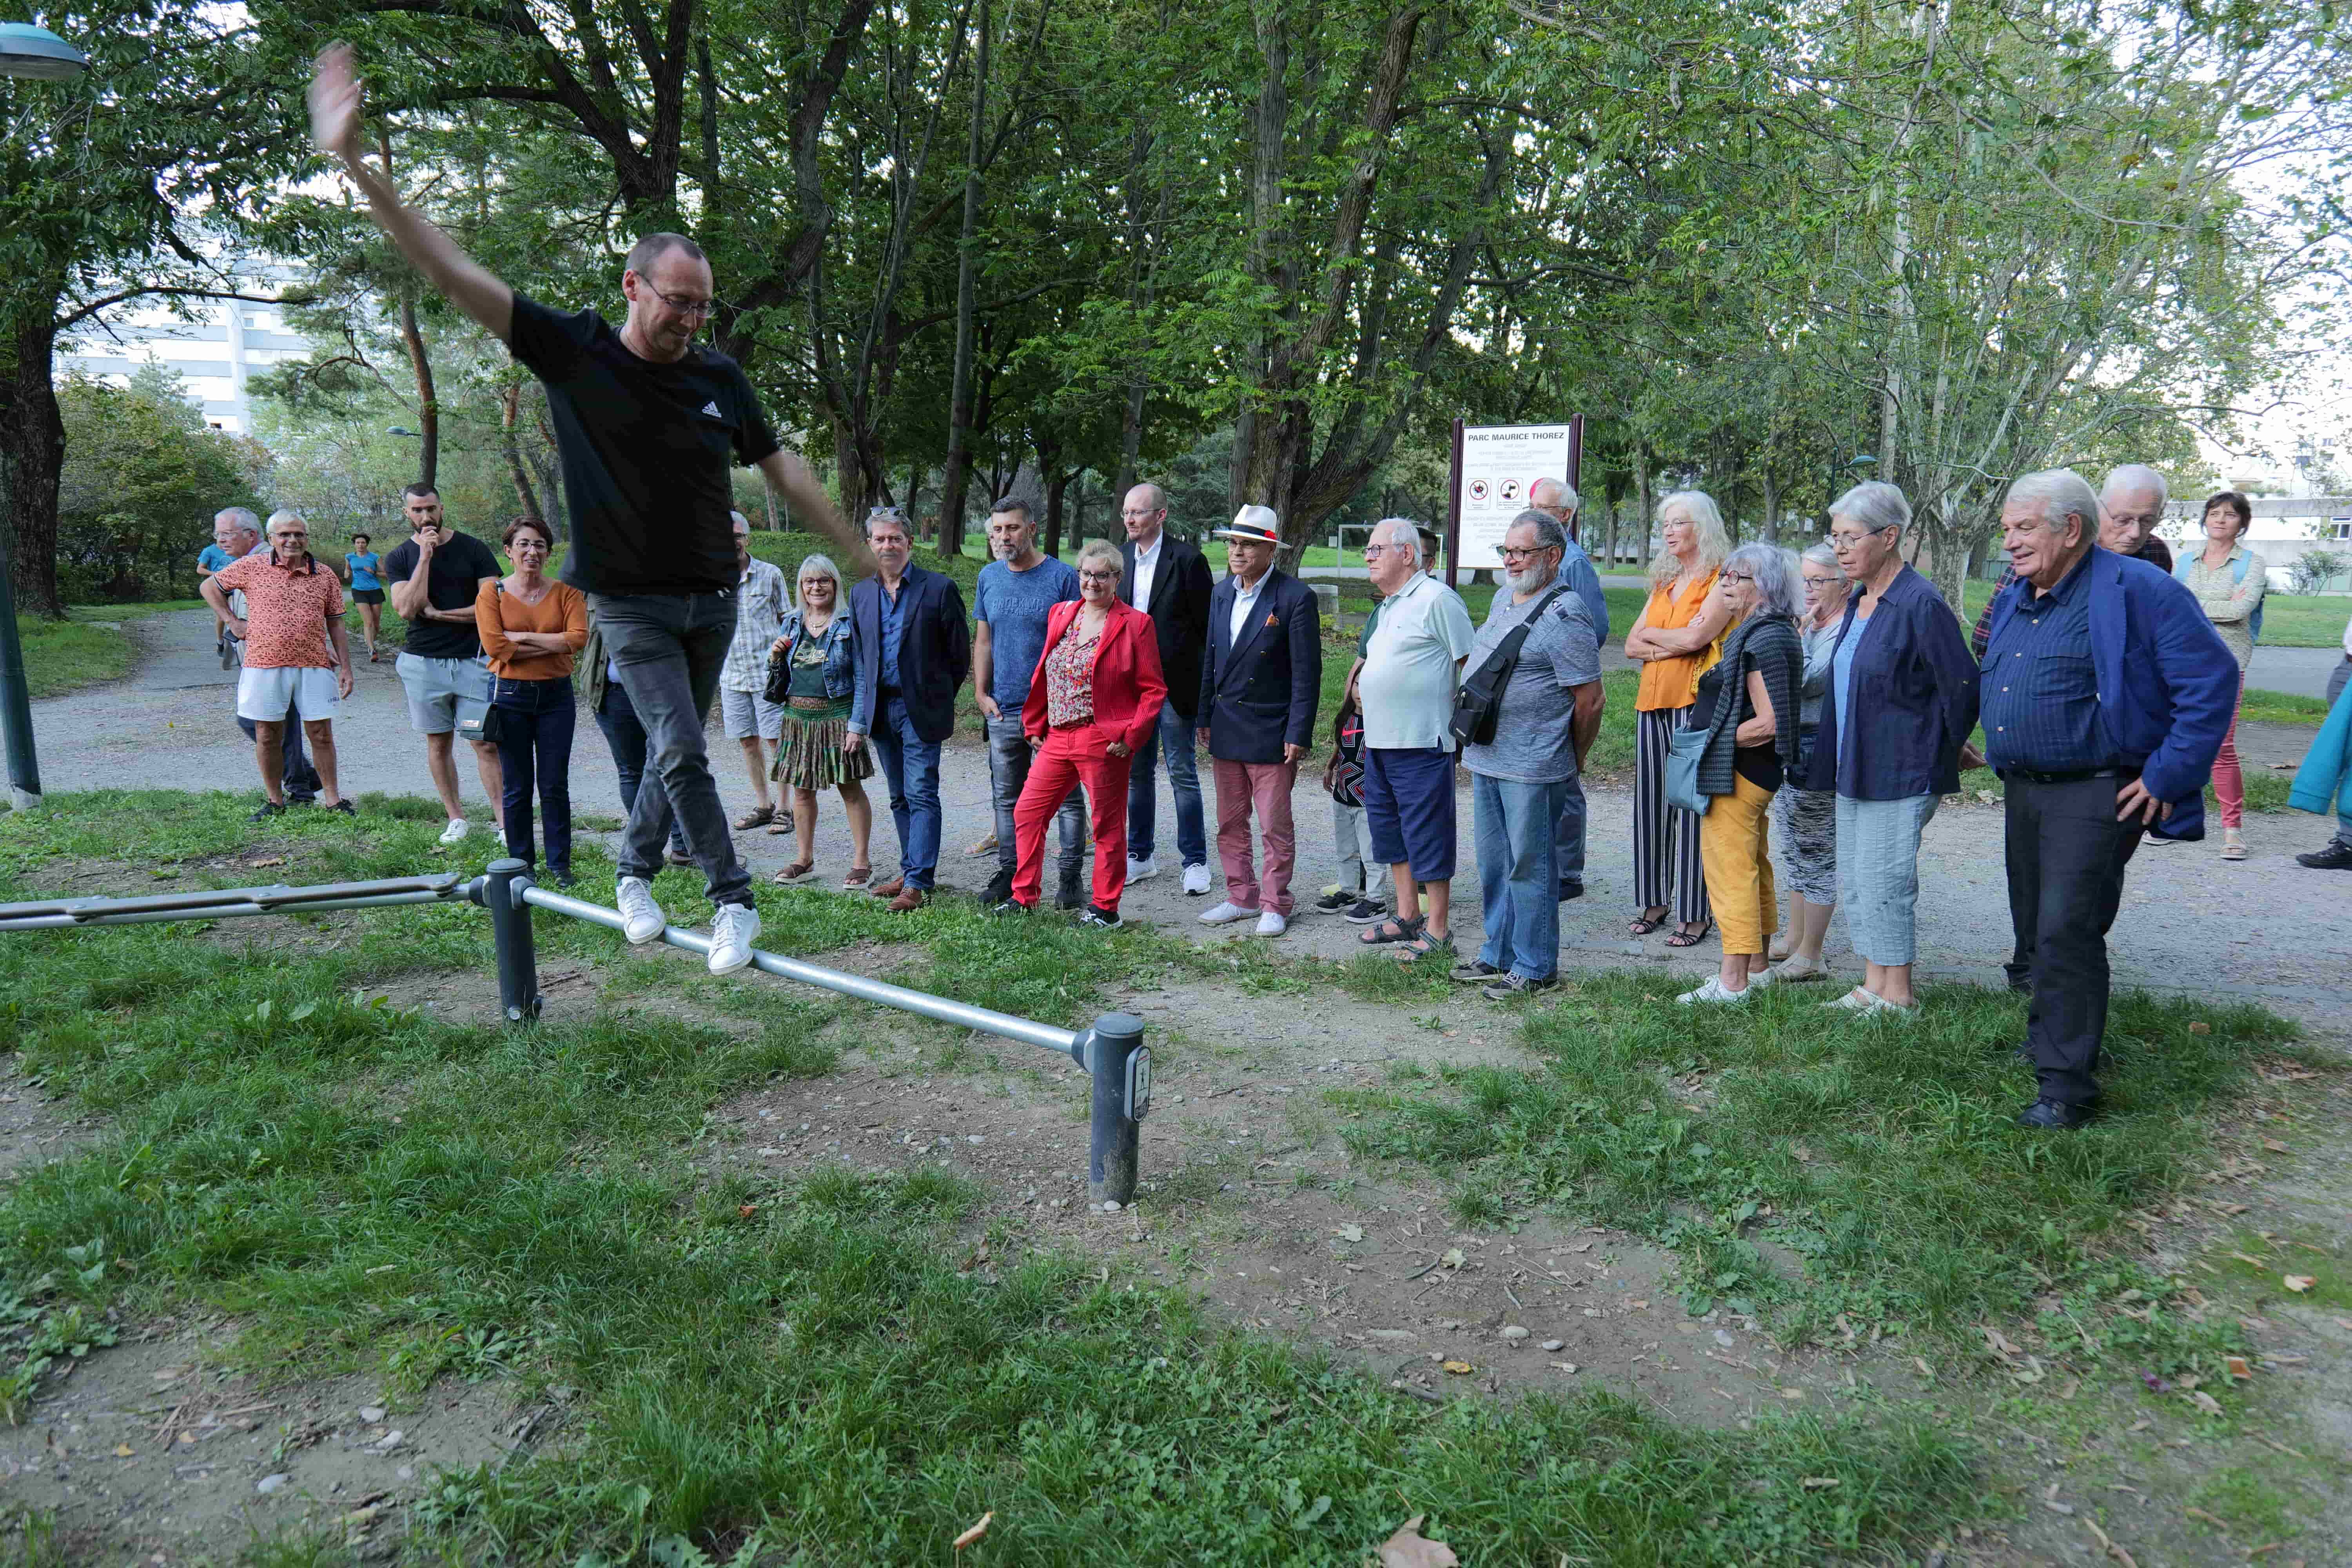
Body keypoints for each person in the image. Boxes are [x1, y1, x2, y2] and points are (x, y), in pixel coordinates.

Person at [311, 45, 864, 975]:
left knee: (666, 757)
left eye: (703, 307)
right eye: (678, 303)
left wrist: (848, 536)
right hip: (629, 604)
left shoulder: (720, 376)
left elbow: (780, 466)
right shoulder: (574, 355)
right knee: (686, 748)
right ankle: (735, 900)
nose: (692, 320)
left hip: (710, 600)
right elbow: (451, 270)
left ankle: (633, 874)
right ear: (633, 287)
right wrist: (355, 166)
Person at [1983, 469, 2235, 1128]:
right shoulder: (2017, 595)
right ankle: (2051, 1042)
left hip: (2097, 790)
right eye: (2007, 528)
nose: (2009, 541)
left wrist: (2164, 776)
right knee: (2038, 928)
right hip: (2027, 790)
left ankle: (2065, 1088)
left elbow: (2211, 682)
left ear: (2071, 529)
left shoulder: (2141, 589)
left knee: (2067, 929)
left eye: (2024, 527)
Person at [1804, 482, 1978, 1017]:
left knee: (1886, 878)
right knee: (1858, 878)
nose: (1840, 548)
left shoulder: (1919, 603)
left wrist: (1944, 747)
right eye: (1835, 537)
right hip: (1855, 762)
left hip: (1901, 769)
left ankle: (1898, 994)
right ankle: (1872, 985)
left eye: (1851, 537)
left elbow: (1963, 686)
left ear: (1890, 537)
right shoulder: (1860, 598)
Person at [1448, 513, 1604, 998]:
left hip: (1534, 766)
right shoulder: (1501, 598)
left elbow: (1591, 700)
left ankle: (1536, 967)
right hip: (1489, 757)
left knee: (1530, 867)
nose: (1511, 561)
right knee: (1495, 864)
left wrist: (1571, 757)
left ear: (1552, 556)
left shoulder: (1566, 613)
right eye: (1506, 551)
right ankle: (1499, 953)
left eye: (1521, 552)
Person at [991, 542, 1168, 926]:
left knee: (1106, 825)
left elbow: (1154, 689)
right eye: (1086, 573)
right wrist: (1036, 722)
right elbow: (1046, 672)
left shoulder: (1136, 624)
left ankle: (1106, 909)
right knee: (1028, 812)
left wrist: (1132, 735)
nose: (1093, 581)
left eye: (1102, 575)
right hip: (1057, 736)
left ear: (1117, 579)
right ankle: (1024, 897)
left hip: (1101, 738)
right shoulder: (1062, 613)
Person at [1677, 544, 1806, 1004]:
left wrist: (1709, 742)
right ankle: (1758, 966)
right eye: (1726, 576)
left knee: (1731, 870)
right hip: (1750, 771)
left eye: (1738, 577)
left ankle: (1733, 983)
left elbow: (1768, 723)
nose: (1725, 583)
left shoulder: (1764, 637)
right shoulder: (1764, 631)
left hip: (1740, 773)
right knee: (1753, 864)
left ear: (1765, 586)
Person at [1352, 517, 1477, 962]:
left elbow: (1473, 665)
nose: (1368, 556)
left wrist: (1462, 727)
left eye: (1375, 549)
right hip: (1381, 740)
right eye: (1367, 550)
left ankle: (1438, 929)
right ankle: (1407, 915)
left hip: (1422, 740)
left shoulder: (1437, 599)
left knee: (1428, 833)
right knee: (1390, 831)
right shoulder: (1387, 605)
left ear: (1406, 554)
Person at [1195, 505, 1322, 936]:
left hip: (1272, 728)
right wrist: (1203, 715)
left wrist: (1298, 732)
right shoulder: (1220, 593)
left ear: (1270, 549)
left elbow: (1307, 674)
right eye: (1233, 542)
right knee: (1230, 821)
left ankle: (1275, 902)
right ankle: (1241, 896)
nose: (1237, 551)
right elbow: (1211, 659)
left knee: (1274, 825)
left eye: (1247, 544)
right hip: (1226, 724)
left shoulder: (1294, 597)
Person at [1622, 491, 1735, 945]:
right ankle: (1654, 902)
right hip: (1651, 703)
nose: (1668, 531)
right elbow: (1631, 644)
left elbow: (1700, 637)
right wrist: (1672, 639)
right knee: (1650, 807)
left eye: (1679, 523)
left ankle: (1694, 911)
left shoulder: (1721, 580)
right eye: (1665, 524)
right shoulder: (1665, 582)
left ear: (1701, 528)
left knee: (1689, 807)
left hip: (1694, 705)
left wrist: (1662, 639)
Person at [848, 506, 970, 913]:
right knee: (899, 795)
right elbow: (862, 659)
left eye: (895, 538)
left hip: (921, 710)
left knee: (921, 793)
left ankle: (918, 881)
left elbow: (958, 656)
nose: (888, 545)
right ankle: (910, 868)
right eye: (880, 539)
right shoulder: (861, 594)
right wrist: (860, 717)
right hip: (882, 710)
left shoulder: (939, 589)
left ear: (910, 543)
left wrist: (935, 696)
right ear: (870, 544)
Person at [201, 511, 356, 819]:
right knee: (267, 733)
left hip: (314, 664)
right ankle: (275, 802)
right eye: (284, 535)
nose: (292, 540)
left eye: (299, 534)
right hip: (263, 664)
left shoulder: (325, 575)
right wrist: (233, 621)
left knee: (321, 733)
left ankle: (334, 801)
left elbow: (336, 624)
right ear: (271, 539)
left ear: (307, 539)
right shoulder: (252, 566)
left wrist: (347, 668)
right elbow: (209, 588)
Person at [973, 499, 1086, 909]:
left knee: (1068, 799)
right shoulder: (989, 577)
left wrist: (1066, 706)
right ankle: (1011, 872)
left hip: (1056, 713)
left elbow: (1078, 644)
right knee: (1007, 797)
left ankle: (1070, 878)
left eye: (1014, 528)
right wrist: (982, 694)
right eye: (999, 529)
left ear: (1032, 528)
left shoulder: (1062, 578)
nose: (1006, 537)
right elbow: (984, 640)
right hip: (1004, 708)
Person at [381, 485, 507, 846]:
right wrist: (425, 557)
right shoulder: (400, 557)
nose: (426, 517)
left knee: (485, 743)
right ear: (407, 513)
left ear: (442, 508)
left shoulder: (473, 548)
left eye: (431, 509)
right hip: (423, 664)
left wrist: (439, 615)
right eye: (418, 511)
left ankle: (504, 824)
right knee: (438, 743)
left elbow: (492, 608)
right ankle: (457, 819)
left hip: (474, 661)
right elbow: (406, 609)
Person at [477, 519, 590, 885]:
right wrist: (550, 641)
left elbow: (577, 640)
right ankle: (521, 864)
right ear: (509, 551)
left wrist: (521, 637)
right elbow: (496, 647)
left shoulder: (566, 593)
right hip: (511, 697)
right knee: (517, 784)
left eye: (540, 545)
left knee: (555, 783)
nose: (532, 552)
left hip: (557, 696)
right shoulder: (491, 594)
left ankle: (559, 865)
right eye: (524, 545)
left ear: (548, 551)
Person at [1971, 464, 2177, 658]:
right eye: (2122, 520)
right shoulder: (2047, 557)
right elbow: (1984, 641)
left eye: (2148, 521)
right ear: (2099, 508)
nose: (2135, 532)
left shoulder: (2155, 554)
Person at [1119, 482, 1215, 896]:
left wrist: (1205, 693)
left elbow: (1205, 631)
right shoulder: (1119, 559)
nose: (1130, 519)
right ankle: (1141, 856)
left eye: (1138, 512)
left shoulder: (1189, 560)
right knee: (1137, 774)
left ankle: (1195, 861)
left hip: (1174, 687)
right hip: (1130, 689)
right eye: (1126, 512)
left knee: (1182, 773)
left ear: (1160, 516)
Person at [763, 554, 875, 886]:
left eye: (823, 580)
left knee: (850, 789)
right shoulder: (792, 623)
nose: (816, 587)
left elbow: (863, 676)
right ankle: (804, 859)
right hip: (797, 718)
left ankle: (861, 862)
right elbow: (779, 679)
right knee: (801, 792)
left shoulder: (847, 622)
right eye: (809, 581)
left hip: (838, 717)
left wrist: (858, 725)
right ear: (801, 586)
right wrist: (774, 657)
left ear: (834, 584)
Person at [1766, 543, 1848, 982]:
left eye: (1818, 580)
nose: (1809, 589)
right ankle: (1795, 938)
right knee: (1794, 846)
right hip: (1795, 743)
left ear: (1845, 584)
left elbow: (1805, 681)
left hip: (1821, 748)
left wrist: (1794, 639)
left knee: (1816, 851)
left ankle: (1812, 954)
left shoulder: (1841, 630)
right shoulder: (1813, 625)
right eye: (1805, 580)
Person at [1525, 488, 1609, 902]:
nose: (1533, 513)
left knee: (1566, 777)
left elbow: (1595, 626)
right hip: (1540, 684)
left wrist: (1567, 661)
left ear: (1566, 514)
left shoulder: (1573, 562)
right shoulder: (1534, 564)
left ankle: (1567, 874)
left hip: (1565, 684)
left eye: (1541, 509)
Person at [2175, 490, 2266, 862]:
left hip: (2228, 664)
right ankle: (2174, 820)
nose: (2220, 520)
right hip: (2180, 662)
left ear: (2242, 523)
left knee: (2222, 748)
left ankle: (2233, 830)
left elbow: (2240, 610)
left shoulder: (2251, 564)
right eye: (2214, 513)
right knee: (2176, 740)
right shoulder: (2184, 562)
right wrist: (2212, 607)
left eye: (2230, 515)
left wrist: (2191, 603)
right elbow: (2171, 609)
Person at [210, 507, 323, 803]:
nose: (221, 540)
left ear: (252, 535)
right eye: (218, 534)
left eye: (227, 534)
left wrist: (321, 644)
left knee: (277, 723)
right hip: (258, 656)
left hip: (284, 658)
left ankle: (302, 785)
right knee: (265, 722)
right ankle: (304, 779)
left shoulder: (268, 560)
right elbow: (209, 588)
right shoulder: (244, 564)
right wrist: (232, 622)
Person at [577, 621, 688, 866]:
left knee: (672, 768)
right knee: (631, 772)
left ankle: (683, 847)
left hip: (661, 694)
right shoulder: (599, 592)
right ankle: (646, 847)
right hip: (613, 694)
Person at [718, 511, 795, 835]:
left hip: (769, 675)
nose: (732, 542)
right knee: (748, 743)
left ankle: (785, 809)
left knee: (776, 740)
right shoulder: (710, 580)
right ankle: (763, 806)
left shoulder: (770, 575)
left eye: (737, 536)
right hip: (731, 675)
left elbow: (789, 621)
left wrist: (787, 663)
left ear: (747, 539)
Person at [1312, 673, 1387, 921]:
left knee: (1370, 851)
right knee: (1345, 848)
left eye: (1367, 686)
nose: (1360, 692)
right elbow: (1341, 743)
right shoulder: (1347, 717)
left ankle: (1376, 900)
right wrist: (1330, 765)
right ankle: (1348, 891)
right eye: (1357, 685)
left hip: (1369, 799)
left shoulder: (1381, 721)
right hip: (1343, 794)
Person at [342, 531, 386, 661]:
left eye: (363, 543)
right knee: (368, 621)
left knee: (376, 624)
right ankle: (372, 649)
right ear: (355, 545)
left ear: (367, 544)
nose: (361, 545)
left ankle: (370, 642)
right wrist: (346, 575)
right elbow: (348, 569)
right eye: (358, 543)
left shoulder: (375, 558)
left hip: (375, 590)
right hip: (358, 590)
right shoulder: (350, 557)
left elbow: (387, 574)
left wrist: (374, 572)